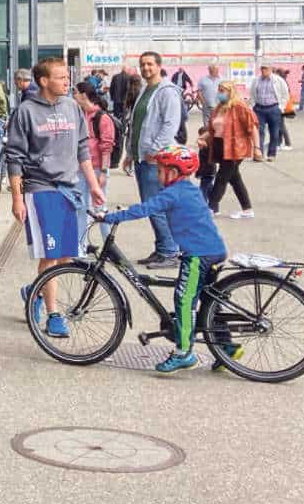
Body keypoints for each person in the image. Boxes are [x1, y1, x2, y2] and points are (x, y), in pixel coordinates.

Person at [96, 146, 230, 375]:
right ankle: (227, 348)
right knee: (209, 300)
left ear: (174, 172)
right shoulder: (189, 189)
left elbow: (146, 209)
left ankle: (183, 353)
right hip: (214, 250)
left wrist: (110, 217)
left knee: (184, 299)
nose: (157, 175)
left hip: (199, 254)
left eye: (160, 170)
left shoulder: (173, 193)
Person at [4, 57, 105, 338]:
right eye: (60, 77)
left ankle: (33, 292)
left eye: (66, 76)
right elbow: (14, 158)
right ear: (43, 81)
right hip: (40, 188)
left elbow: (83, 148)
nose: (66, 81)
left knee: (65, 256)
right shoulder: (26, 112)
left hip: (69, 188)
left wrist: (94, 185)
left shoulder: (72, 107)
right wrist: (17, 198)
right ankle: (53, 314)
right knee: (50, 255)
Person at [121, 50, 183, 266]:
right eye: (143, 64)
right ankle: (162, 247)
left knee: (156, 205)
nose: (146, 68)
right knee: (152, 205)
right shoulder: (145, 90)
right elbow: (136, 124)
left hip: (156, 160)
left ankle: (169, 251)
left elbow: (170, 125)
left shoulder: (167, 92)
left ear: (159, 66)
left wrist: (154, 150)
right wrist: (130, 153)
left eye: (150, 64)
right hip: (142, 157)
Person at [204, 80, 257, 218]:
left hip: (235, 148)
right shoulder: (219, 108)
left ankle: (211, 207)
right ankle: (247, 209)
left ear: (230, 92)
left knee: (222, 176)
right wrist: (202, 138)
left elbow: (253, 128)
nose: (219, 93)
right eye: (219, 90)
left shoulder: (239, 107)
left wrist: (257, 148)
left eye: (222, 90)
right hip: (220, 146)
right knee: (234, 178)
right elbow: (212, 129)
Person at [73, 79, 116, 247]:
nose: (73, 96)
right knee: (80, 208)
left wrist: (104, 172)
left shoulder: (102, 118)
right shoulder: (81, 115)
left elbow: (107, 147)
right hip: (81, 169)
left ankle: (108, 245)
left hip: (97, 169)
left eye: (75, 92)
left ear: (84, 95)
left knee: (99, 208)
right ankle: (80, 245)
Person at [250, 64, 284, 161]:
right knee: (258, 132)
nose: (263, 70)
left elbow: (285, 94)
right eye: (262, 68)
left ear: (271, 69)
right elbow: (252, 93)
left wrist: (281, 107)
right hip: (259, 109)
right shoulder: (256, 80)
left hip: (273, 108)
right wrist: (253, 105)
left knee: (274, 132)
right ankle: (258, 153)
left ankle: (271, 154)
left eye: (265, 68)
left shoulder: (278, 80)